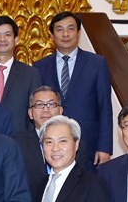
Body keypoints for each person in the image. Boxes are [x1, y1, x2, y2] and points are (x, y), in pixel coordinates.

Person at [34, 11, 113, 169]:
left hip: (88, 144)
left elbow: (104, 107)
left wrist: (104, 147)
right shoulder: (39, 67)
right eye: (59, 29)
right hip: (52, 145)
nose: (65, 34)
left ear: (78, 33)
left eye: (70, 29)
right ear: (51, 35)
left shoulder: (97, 64)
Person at [0, 16, 42, 133]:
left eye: (8, 35)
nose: (2, 39)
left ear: (16, 39)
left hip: (19, 144)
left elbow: (36, 113)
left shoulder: (31, 74)